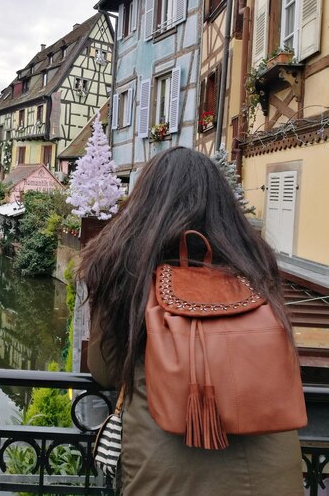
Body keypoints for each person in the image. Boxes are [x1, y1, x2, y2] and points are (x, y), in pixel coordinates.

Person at [79, 146, 303, 496]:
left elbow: (105, 370)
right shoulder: (255, 264)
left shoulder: (125, 263)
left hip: (165, 473)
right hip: (272, 474)